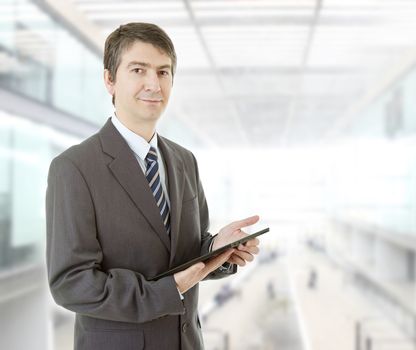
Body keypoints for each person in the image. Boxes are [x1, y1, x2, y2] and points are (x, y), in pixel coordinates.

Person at [45, 22, 260, 350]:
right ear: (110, 80)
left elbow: (185, 254)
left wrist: (220, 248)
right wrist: (166, 292)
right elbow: (71, 283)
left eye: (163, 72)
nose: (153, 84)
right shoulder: (74, 168)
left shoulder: (184, 160)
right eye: (138, 70)